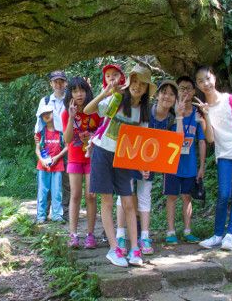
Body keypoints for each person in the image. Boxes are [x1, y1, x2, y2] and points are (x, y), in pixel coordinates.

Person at [84, 64, 155, 267]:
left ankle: (134, 249)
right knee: (106, 201)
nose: (138, 86)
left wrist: (143, 165)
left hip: (124, 158)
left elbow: (142, 141)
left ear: (146, 89)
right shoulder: (117, 99)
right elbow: (89, 110)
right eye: (135, 81)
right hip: (102, 151)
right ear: (129, 82)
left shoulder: (143, 111)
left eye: (143, 84)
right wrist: (105, 92)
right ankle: (114, 249)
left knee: (129, 202)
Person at [116, 79, 185, 255]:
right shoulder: (146, 110)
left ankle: (144, 236)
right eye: (164, 92)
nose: (167, 97)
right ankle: (120, 235)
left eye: (171, 94)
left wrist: (179, 116)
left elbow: (177, 143)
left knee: (144, 195)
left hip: (150, 163)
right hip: (131, 158)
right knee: (124, 195)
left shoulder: (170, 119)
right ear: (157, 94)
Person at [193, 66, 232, 251]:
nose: (205, 83)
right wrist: (205, 114)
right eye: (200, 81)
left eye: (207, 78)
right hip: (223, 156)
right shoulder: (203, 109)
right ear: (197, 84)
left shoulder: (230, 100)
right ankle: (217, 235)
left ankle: (229, 236)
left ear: (214, 77)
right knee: (223, 195)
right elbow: (211, 139)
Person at [164, 76, 206, 245]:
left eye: (188, 88)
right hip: (171, 162)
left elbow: (202, 141)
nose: (185, 92)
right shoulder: (170, 113)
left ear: (194, 91)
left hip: (189, 164)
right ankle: (171, 231)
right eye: (181, 88)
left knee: (187, 196)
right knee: (171, 196)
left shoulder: (197, 114)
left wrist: (202, 166)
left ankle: (188, 231)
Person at [62, 77, 102, 248]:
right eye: (75, 91)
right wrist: (71, 118)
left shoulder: (95, 111)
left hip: (92, 158)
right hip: (75, 158)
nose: (79, 94)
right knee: (76, 195)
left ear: (87, 92)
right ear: (70, 94)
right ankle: (73, 234)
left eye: (82, 90)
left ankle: (90, 235)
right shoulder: (66, 113)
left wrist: (92, 137)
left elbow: (102, 132)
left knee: (91, 196)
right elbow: (67, 139)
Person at [34, 70, 71, 221]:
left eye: (61, 81)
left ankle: (64, 213)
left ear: (65, 83)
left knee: (66, 180)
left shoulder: (70, 99)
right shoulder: (46, 100)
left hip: (66, 141)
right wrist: (37, 140)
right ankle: (44, 212)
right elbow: (39, 122)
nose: (58, 84)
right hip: (48, 143)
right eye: (55, 81)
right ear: (51, 84)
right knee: (47, 179)